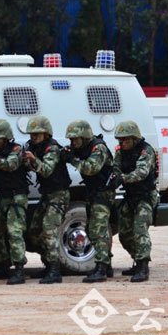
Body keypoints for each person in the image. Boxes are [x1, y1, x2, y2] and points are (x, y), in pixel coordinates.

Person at [63, 119, 115, 283]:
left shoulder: (98, 148)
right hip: (93, 193)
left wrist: (72, 159)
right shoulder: (83, 147)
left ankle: (101, 268)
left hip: (103, 193)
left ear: (84, 136)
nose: (72, 142)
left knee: (98, 231)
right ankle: (107, 265)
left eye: (74, 139)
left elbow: (91, 168)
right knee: (93, 230)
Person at [23, 115, 70, 284]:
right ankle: (48, 264)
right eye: (31, 134)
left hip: (58, 194)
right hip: (47, 194)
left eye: (37, 134)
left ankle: (55, 269)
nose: (33, 137)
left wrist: (33, 160)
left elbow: (47, 170)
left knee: (49, 229)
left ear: (46, 134)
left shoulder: (52, 149)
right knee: (35, 231)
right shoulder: (34, 147)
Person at [0, 119, 29, 285]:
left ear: (5, 138)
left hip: (17, 196)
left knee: (14, 232)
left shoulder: (16, 150)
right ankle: (3, 265)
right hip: (2, 196)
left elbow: (11, 165)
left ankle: (19, 269)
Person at [113, 120, 158, 282]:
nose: (122, 143)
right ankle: (137, 261)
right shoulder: (121, 151)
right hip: (130, 195)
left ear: (134, 138)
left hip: (145, 196)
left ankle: (143, 266)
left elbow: (142, 172)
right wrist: (113, 176)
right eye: (120, 140)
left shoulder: (146, 151)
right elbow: (116, 167)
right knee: (124, 233)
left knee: (140, 231)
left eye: (125, 140)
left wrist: (122, 178)